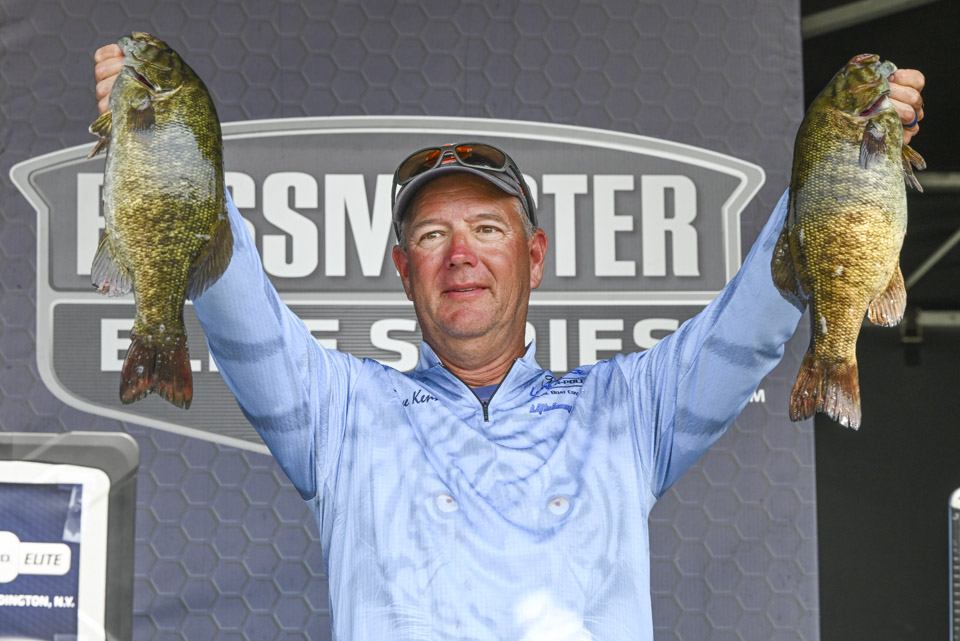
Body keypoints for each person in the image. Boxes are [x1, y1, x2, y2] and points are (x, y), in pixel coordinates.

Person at [94, 44, 925, 640]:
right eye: (432, 235)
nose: (460, 254)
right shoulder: (340, 413)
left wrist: (849, 154)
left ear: (534, 256)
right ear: (402, 269)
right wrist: (158, 144)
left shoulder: (629, 409)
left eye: (488, 228)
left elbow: (755, 316)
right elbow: (239, 308)